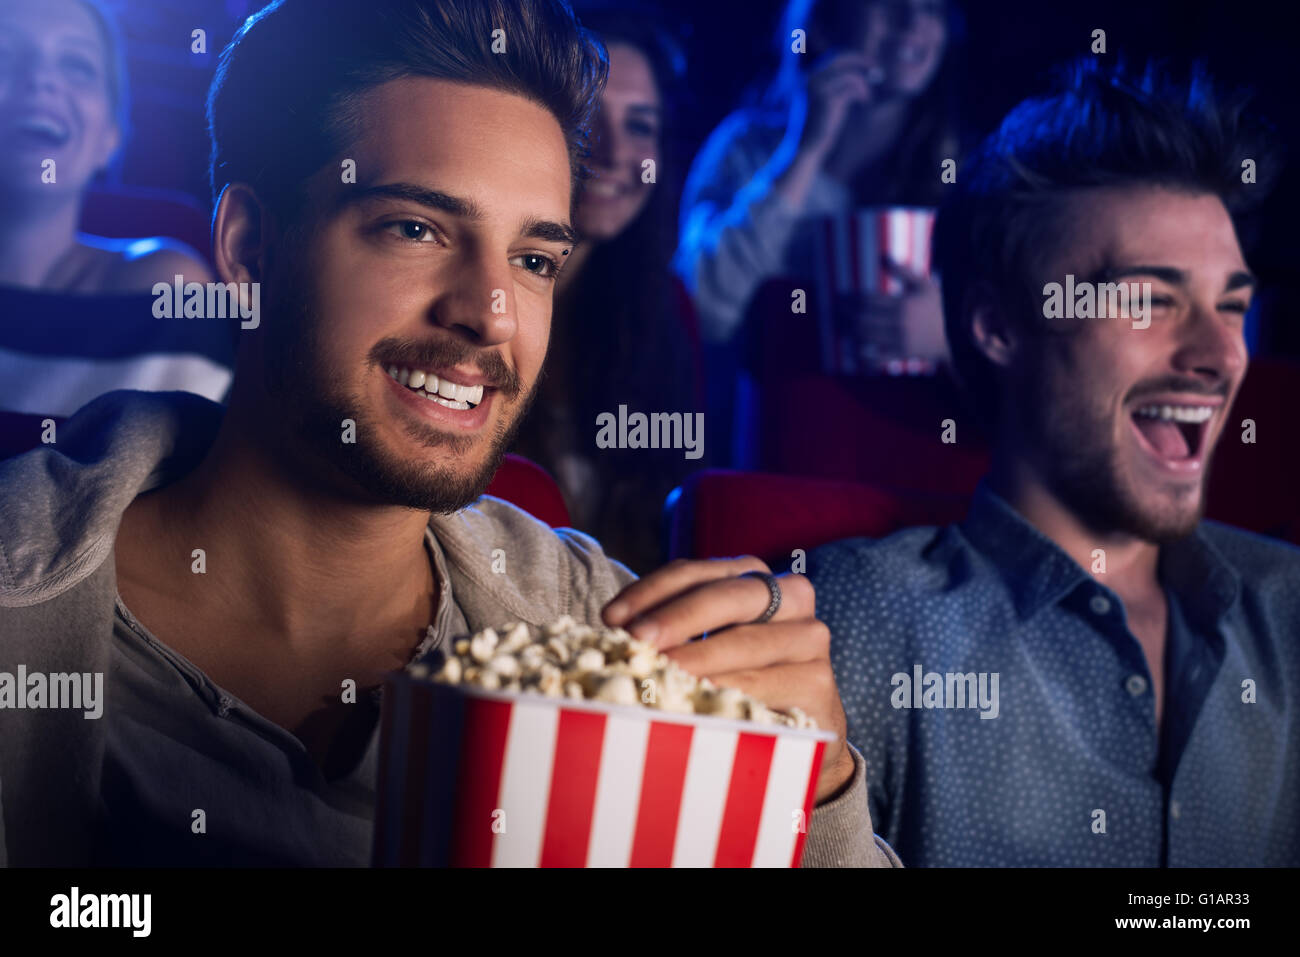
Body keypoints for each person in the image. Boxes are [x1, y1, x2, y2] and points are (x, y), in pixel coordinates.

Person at [0, 0, 897, 868]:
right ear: (249, 250)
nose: (491, 315)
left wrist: (813, 795)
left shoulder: (606, 638)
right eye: (416, 228)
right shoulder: (23, 596)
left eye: (534, 259)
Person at [806, 57, 1300, 866]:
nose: (1220, 355)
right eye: (1148, 298)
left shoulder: (1290, 609)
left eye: (1233, 306)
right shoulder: (857, 618)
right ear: (997, 328)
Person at [511, 3, 702, 574]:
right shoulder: (478, 298)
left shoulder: (668, 309)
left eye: (641, 125)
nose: (616, 154)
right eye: (587, 117)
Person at [674, 0, 958, 355]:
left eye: (932, 8)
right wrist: (805, 152)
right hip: (772, 404)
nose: (912, 21)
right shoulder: (746, 147)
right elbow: (701, 308)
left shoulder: (961, 168)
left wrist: (949, 339)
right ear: (825, 21)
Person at [0, 0, 230, 418]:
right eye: (3, 55)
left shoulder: (163, 287)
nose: (41, 79)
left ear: (111, 135)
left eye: (77, 65)